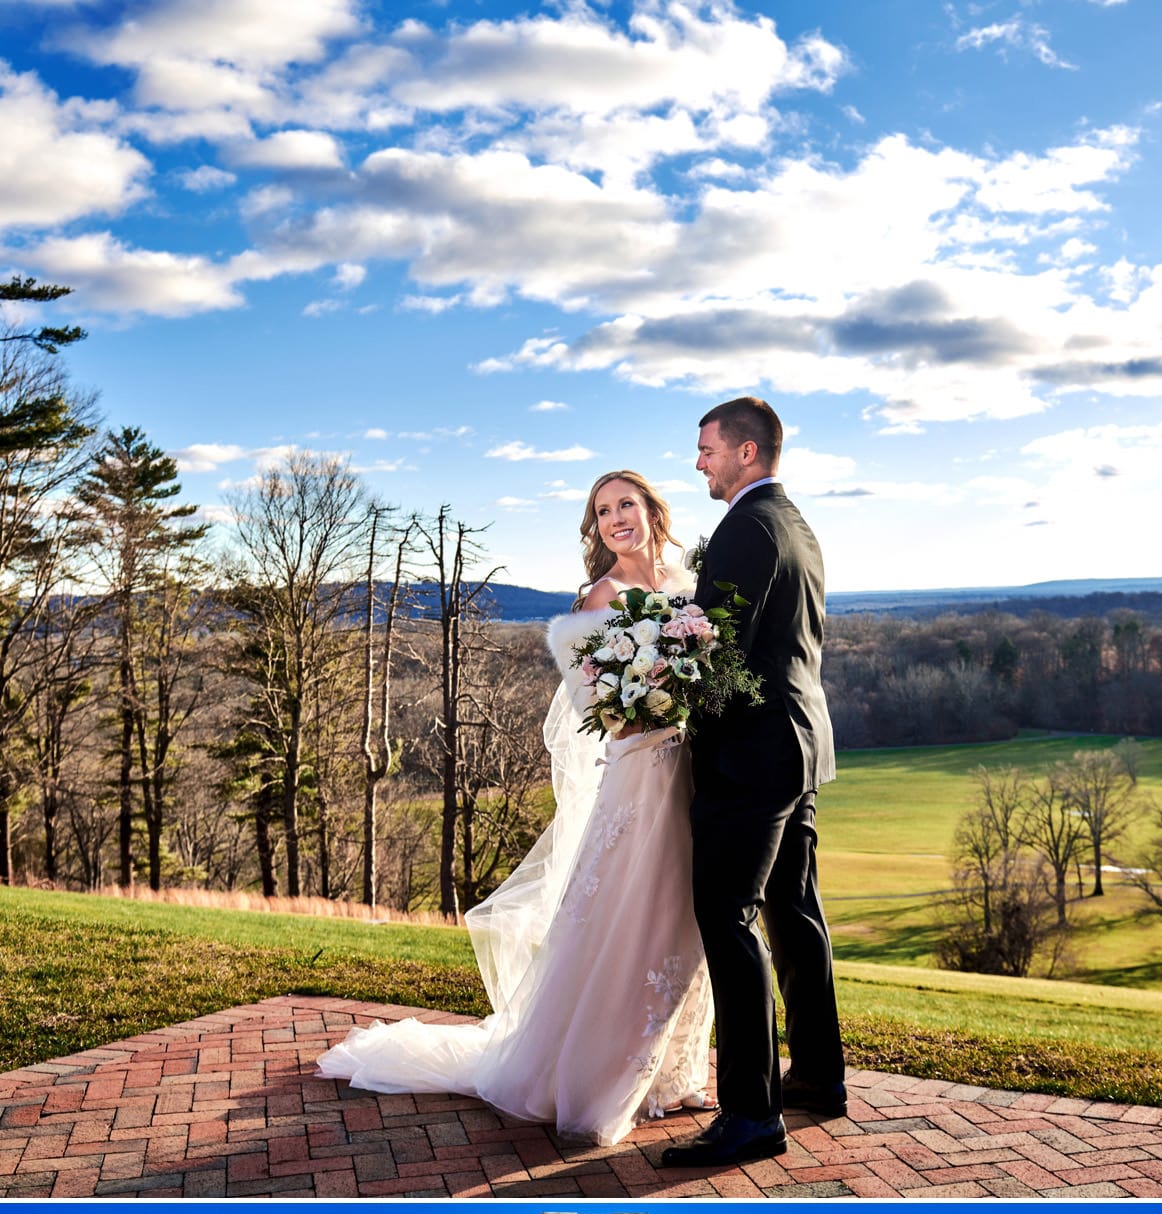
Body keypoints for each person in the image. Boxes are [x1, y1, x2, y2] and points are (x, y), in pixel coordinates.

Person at [314, 470, 712, 1147]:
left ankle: (675, 1073)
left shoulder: (686, 589)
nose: (616, 518)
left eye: (627, 504)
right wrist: (661, 696)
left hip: (693, 778)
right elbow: (603, 712)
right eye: (603, 510)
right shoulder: (602, 595)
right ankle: (599, 1076)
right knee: (632, 919)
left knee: (686, 920)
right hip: (641, 775)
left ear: (653, 510)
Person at [660, 394, 846, 1172]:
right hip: (799, 746)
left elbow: (714, 653)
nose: (698, 460)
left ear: (744, 451)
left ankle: (749, 1113)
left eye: (706, 448)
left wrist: (660, 688)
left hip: (750, 755)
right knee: (793, 910)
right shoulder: (795, 525)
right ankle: (818, 1076)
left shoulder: (744, 527)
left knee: (727, 918)